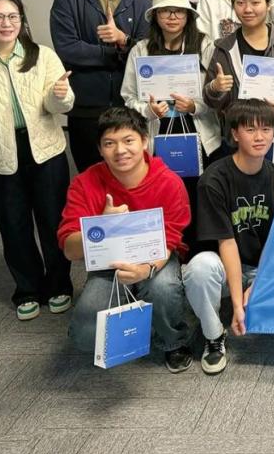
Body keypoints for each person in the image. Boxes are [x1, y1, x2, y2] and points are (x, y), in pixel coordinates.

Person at [0, 0, 74, 321]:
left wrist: (60, 96)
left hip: (46, 151)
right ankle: (27, 289)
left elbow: (59, 106)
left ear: (21, 20)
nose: (6, 23)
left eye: (12, 16)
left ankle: (59, 285)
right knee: (14, 226)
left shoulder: (43, 56)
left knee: (53, 221)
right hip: (3, 155)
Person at [58, 107, 194, 372]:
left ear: (144, 141)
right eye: (109, 143)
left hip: (156, 259)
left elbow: (170, 240)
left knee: (163, 289)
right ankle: (137, 313)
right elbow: (69, 249)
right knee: (85, 335)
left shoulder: (169, 182)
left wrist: (146, 270)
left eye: (128, 140)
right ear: (100, 149)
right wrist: (103, 226)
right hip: (109, 266)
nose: (120, 150)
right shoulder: (85, 183)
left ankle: (173, 341)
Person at [182, 100, 274, 374]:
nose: (260, 137)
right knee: (199, 269)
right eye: (250, 130)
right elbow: (226, 243)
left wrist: (261, 281)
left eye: (266, 129)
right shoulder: (214, 179)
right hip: (226, 265)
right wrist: (238, 304)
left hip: (262, 266)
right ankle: (213, 335)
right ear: (235, 134)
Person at [121, 0, 220, 252]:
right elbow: (128, 97)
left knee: (199, 198)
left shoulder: (205, 45)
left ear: (188, 16)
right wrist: (149, 110)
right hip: (159, 133)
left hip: (199, 134)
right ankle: (169, 253)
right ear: (155, 16)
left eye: (179, 11)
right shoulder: (141, 50)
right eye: (165, 11)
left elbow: (216, 95)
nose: (172, 17)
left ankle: (202, 256)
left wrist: (195, 106)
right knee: (166, 196)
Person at [50, 0, 150, 172]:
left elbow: (147, 52)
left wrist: (123, 39)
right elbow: (68, 48)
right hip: (86, 107)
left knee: (131, 175)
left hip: (129, 106)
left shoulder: (141, 2)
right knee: (91, 177)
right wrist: (115, 52)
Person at [203, 0, 274, 144]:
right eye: (240, 3)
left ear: (268, 5)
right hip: (238, 140)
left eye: (255, 2)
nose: (248, 9)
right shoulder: (224, 48)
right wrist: (215, 88)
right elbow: (210, 101)